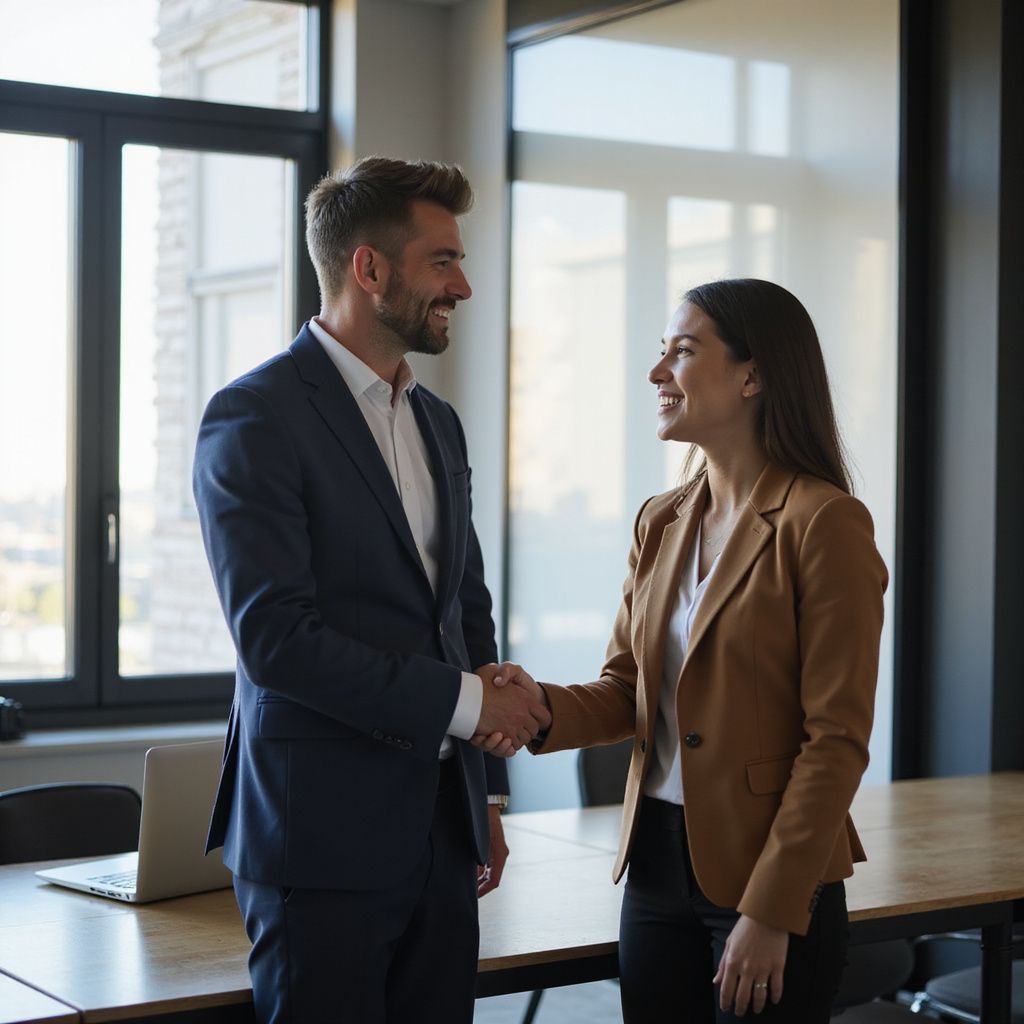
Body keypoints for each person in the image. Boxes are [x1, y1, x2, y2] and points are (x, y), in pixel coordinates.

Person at [192, 156, 550, 1024]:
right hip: (318, 842)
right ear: (369, 269)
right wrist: (471, 707)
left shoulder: (438, 420)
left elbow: (462, 609)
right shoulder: (254, 417)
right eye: (442, 262)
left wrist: (485, 796)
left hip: (442, 834)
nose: (462, 285)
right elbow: (277, 641)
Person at [477, 278, 888, 1022]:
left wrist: (771, 911)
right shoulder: (661, 521)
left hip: (770, 877)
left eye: (683, 352)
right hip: (656, 871)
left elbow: (836, 742)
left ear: (753, 374)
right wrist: (538, 710)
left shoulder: (823, 522)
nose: (657, 372)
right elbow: (626, 687)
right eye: (659, 352)